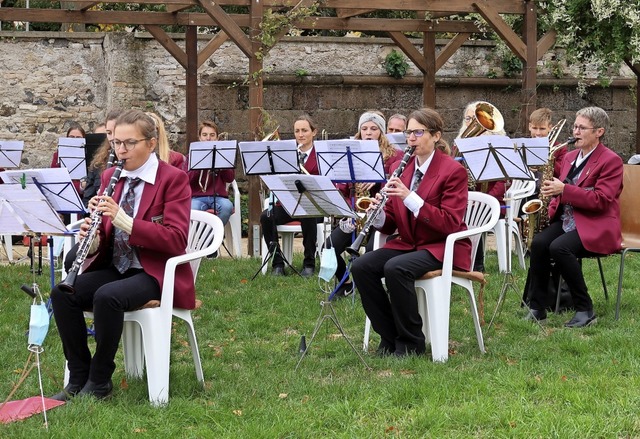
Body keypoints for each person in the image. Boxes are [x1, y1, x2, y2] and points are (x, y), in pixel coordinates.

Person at [50, 109, 193, 401]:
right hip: (116, 265)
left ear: (151, 143)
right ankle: (78, 376)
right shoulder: (109, 177)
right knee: (63, 294)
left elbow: (177, 240)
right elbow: (105, 236)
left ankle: (100, 379)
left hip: (153, 272)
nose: (120, 150)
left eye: (129, 143)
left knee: (107, 296)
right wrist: (90, 239)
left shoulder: (173, 179)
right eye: (116, 143)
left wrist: (123, 220)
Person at [351, 107, 471, 357]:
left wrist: (411, 198)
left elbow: (450, 222)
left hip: (441, 245)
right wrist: (378, 214)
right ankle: (389, 335)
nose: (411, 139)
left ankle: (411, 341)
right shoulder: (402, 168)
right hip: (409, 243)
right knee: (361, 267)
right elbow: (393, 221)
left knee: (396, 268)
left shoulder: (452, 171)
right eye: (408, 133)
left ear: (436, 136)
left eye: (418, 132)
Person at [524, 106, 623, 327]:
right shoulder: (569, 157)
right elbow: (561, 194)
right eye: (575, 126)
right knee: (539, 243)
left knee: (559, 247)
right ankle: (537, 306)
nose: (575, 132)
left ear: (599, 131)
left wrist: (564, 190)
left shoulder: (611, 160)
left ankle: (585, 309)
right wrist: (547, 207)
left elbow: (602, 200)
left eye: (582, 128)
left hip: (597, 224)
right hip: (569, 220)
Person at [325, 111, 403, 297]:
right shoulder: (349, 154)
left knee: (370, 252)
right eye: (364, 128)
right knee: (329, 247)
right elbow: (342, 189)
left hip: (382, 216)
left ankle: (370, 287)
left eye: (374, 128)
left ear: (382, 132)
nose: (368, 132)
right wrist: (346, 207)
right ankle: (345, 284)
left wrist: (378, 180)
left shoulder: (395, 156)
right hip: (356, 215)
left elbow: (396, 184)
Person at [260, 114, 322, 277]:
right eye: (297, 131)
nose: (300, 135)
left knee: (307, 214)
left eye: (304, 130)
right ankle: (277, 263)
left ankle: (309, 263)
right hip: (289, 204)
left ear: (314, 132)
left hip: (313, 206)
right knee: (266, 217)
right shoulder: (286, 155)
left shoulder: (321, 154)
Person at [455, 102, 506, 272]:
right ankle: (456, 260)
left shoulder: (499, 145)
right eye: (468, 118)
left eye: (476, 119)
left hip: (491, 200)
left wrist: (486, 199)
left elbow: (503, 181)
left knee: (472, 212)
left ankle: (477, 265)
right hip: (466, 197)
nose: (471, 122)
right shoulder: (459, 144)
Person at [188, 121, 235, 226]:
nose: (208, 138)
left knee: (227, 207)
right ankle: (202, 238)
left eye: (212, 135)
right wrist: (197, 166)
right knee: (192, 210)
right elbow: (186, 179)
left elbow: (230, 178)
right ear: (199, 138)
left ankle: (213, 236)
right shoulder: (191, 156)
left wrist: (222, 163)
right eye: (204, 135)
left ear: (217, 138)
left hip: (219, 196)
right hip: (196, 197)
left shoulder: (223, 155)